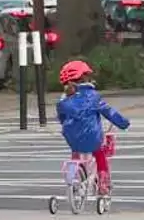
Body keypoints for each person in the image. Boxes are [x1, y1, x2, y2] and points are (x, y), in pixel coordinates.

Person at [56, 60, 131, 195]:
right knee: (99, 153)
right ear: (84, 77)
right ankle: (103, 183)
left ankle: (72, 178)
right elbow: (109, 112)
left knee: (76, 154)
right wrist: (123, 123)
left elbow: (62, 119)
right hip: (93, 136)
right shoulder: (93, 96)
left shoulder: (62, 101)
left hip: (72, 138)